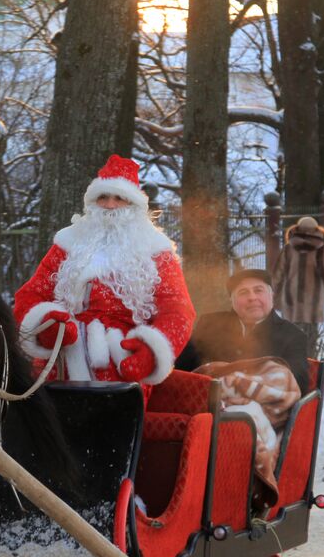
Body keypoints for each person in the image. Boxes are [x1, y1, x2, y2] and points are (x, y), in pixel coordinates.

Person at [13, 155, 195, 403]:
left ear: (133, 205)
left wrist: (150, 352)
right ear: (92, 202)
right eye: (103, 197)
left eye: (119, 198)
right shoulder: (68, 242)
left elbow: (178, 311)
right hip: (62, 364)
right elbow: (31, 295)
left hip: (122, 365)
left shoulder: (156, 251)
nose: (110, 205)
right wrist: (45, 324)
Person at [175, 268, 311, 395]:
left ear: (272, 296)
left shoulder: (292, 336)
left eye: (258, 290)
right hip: (204, 401)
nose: (252, 297)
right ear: (232, 301)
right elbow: (181, 368)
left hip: (259, 412)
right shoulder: (210, 324)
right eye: (243, 292)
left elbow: (297, 386)